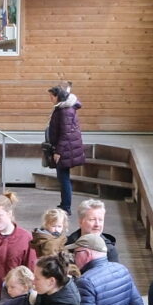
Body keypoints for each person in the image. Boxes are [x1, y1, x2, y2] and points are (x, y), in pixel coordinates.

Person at [44, 81, 86, 214]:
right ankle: (64, 204)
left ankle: (66, 207)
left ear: (58, 96)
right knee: (63, 177)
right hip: (67, 149)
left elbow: (65, 133)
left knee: (64, 179)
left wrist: (58, 152)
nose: (50, 99)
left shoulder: (64, 111)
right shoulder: (63, 108)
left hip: (65, 150)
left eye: (52, 96)